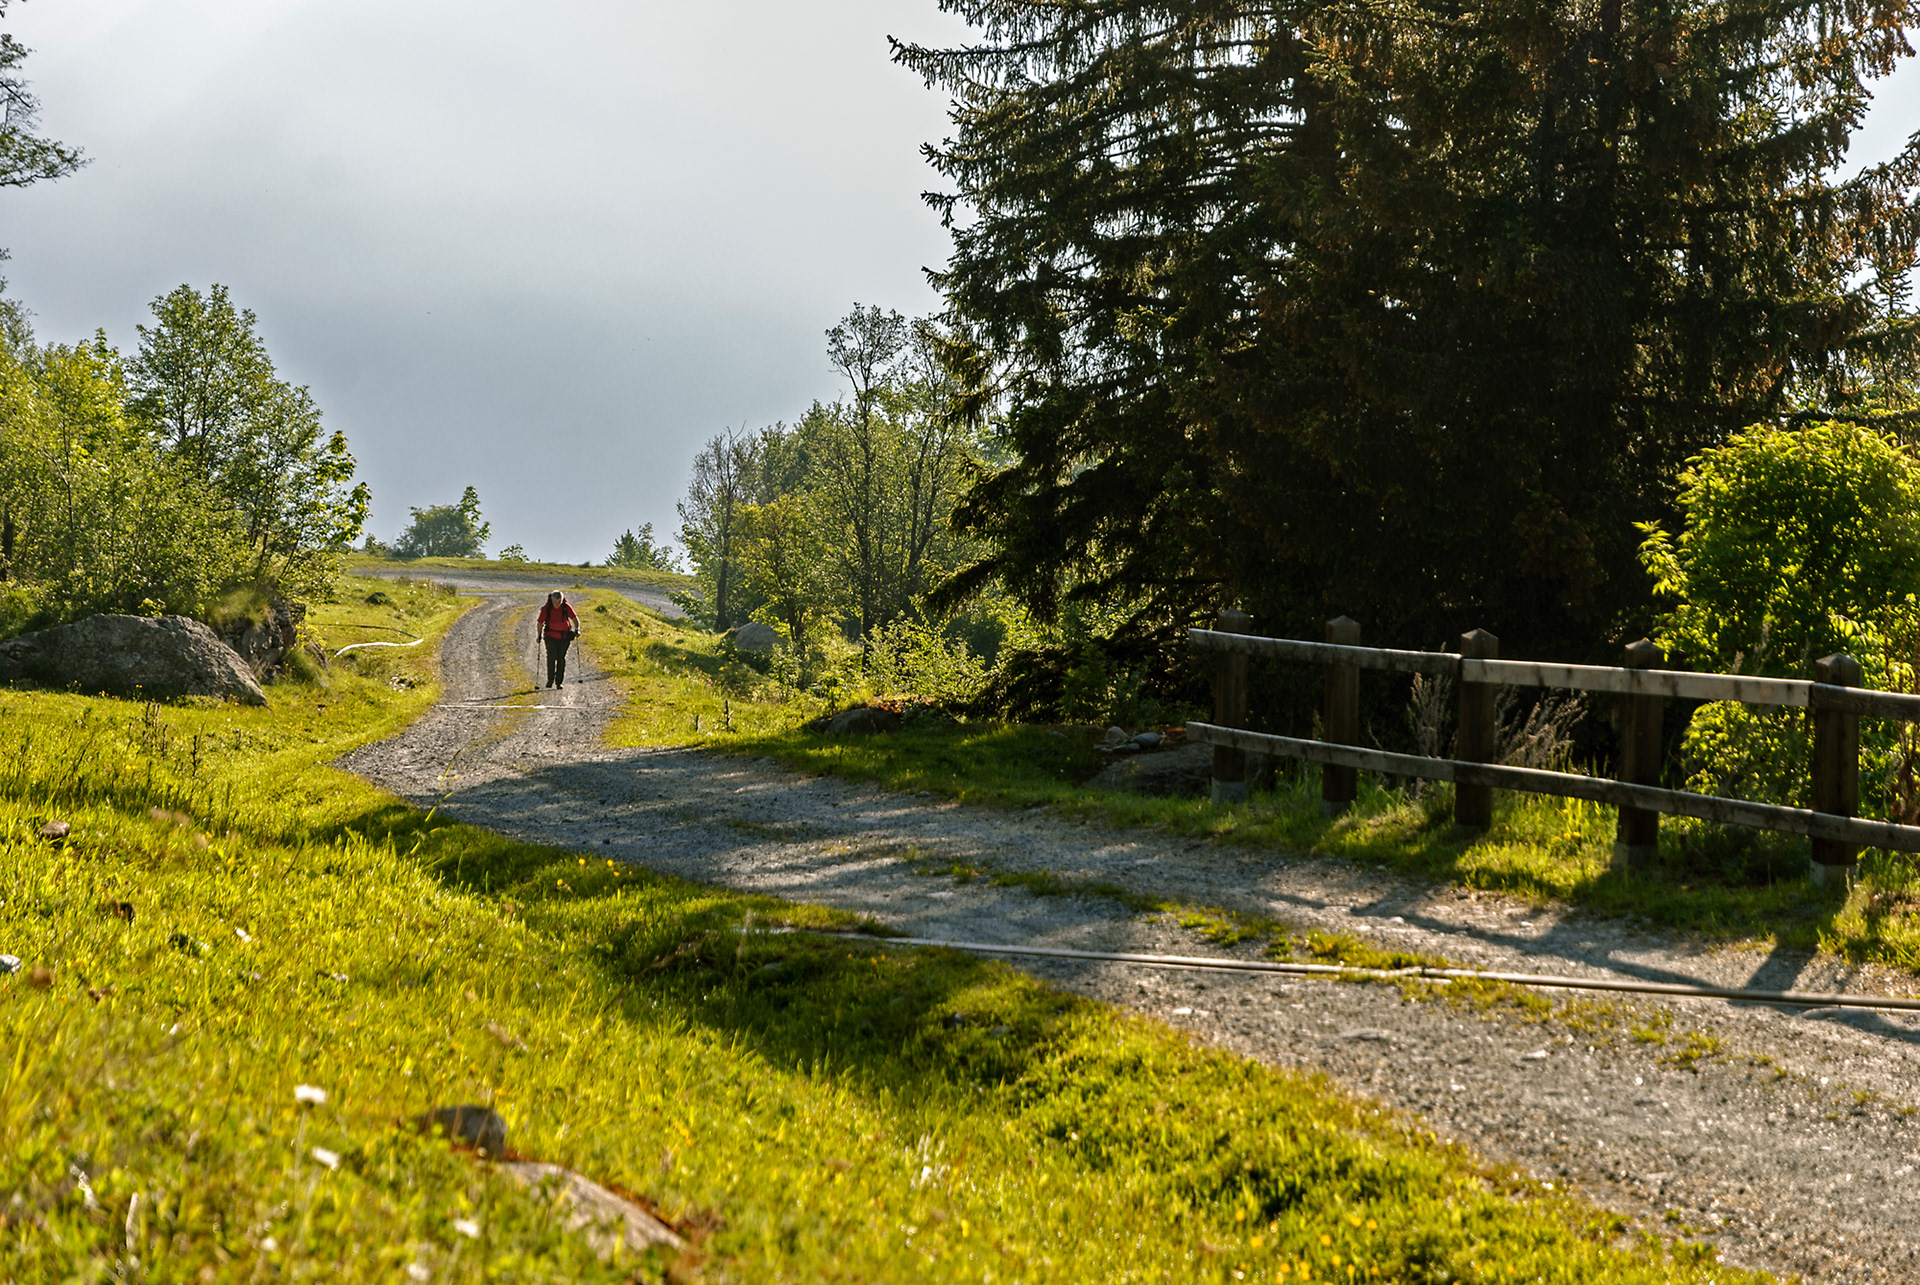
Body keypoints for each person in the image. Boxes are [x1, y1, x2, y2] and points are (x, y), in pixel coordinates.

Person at [536, 591, 580, 688]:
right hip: (550, 636)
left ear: (562, 600)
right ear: (552, 600)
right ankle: (550, 679)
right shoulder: (547, 608)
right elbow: (540, 622)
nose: (557, 604)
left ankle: (559, 682)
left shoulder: (566, 607)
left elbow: (575, 619)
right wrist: (539, 635)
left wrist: (577, 629)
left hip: (564, 637)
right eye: (555, 602)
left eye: (559, 602)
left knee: (561, 658)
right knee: (551, 657)